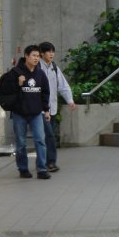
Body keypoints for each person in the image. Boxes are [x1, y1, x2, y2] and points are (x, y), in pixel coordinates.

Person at [10, 45, 52, 179]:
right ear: (26, 56)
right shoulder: (16, 72)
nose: (36, 58)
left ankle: (41, 169)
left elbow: (45, 93)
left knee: (40, 140)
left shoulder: (40, 74)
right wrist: (19, 84)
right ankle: (23, 169)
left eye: (38, 56)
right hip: (19, 113)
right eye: (33, 55)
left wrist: (46, 110)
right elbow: (8, 91)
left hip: (36, 113)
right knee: (21, 143)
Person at [38, 42, 76, 172]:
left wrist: (69, 100)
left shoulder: (54, 67)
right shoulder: (37, 67)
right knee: (49, 136)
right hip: (40, 109)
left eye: (52, 51)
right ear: (41, 53)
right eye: (48, 51)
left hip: (52, 108)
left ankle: (42, 162)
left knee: (47, 136)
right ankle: (50, 163)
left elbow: (63, 86)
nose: (51, 54)